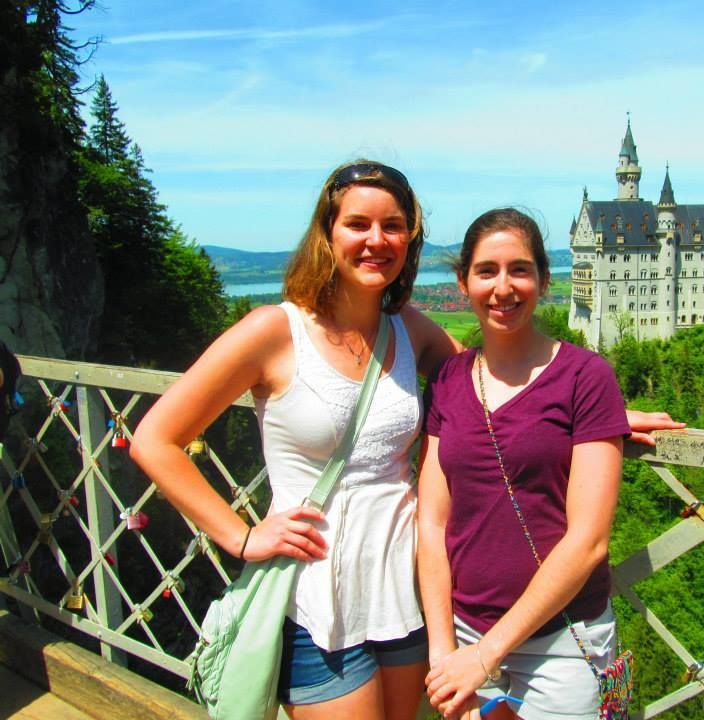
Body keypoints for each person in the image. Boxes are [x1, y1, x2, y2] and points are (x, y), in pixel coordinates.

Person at [132, 160, 458, 720]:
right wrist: (240, 536)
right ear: (327, 234)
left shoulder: (407, 327)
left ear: (410, 238)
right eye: (358, 224)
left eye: (393, 226)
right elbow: (154, 440)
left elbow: (494, 385)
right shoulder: (275, 330)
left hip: (401, 591)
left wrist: (598, 410)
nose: (376, 240)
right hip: (315, 601)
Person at [418, 208, 671, 720]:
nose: (503, 287)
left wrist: (484, 656)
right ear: (463, 280)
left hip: (562, 643)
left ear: (543, 279)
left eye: (520, 269)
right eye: (486, 270)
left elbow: (588, 542)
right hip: (465, 635)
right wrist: (445, 650)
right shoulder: (447, 381)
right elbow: (431, 521)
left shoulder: (586, 377)